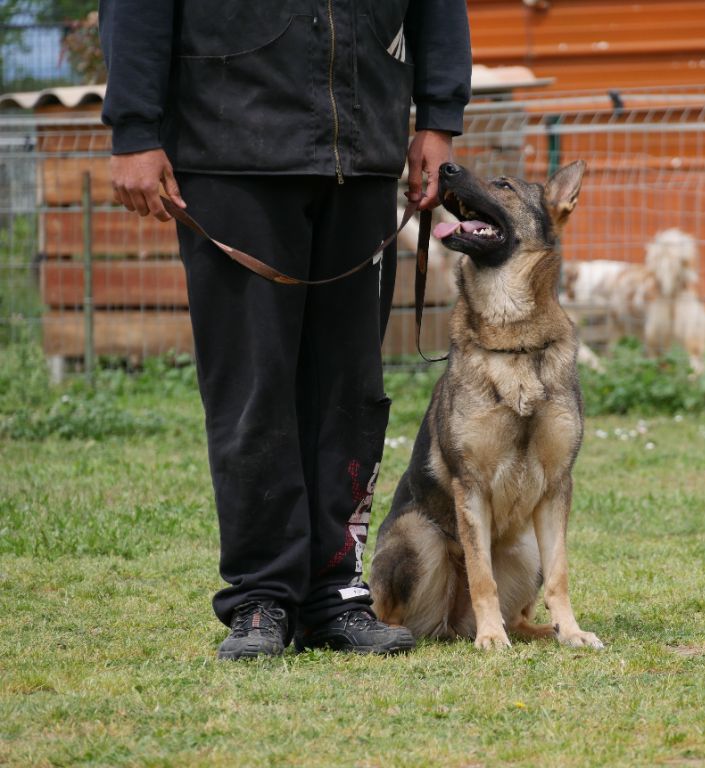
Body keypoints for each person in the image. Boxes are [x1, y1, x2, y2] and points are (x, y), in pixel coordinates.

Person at [98, 1, 472, 660]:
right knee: (253, 389)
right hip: (231, 141)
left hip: (361, 149)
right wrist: (134, 126)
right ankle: (261, 594)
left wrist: (439, 117)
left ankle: (335, 588)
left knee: (350, 389)